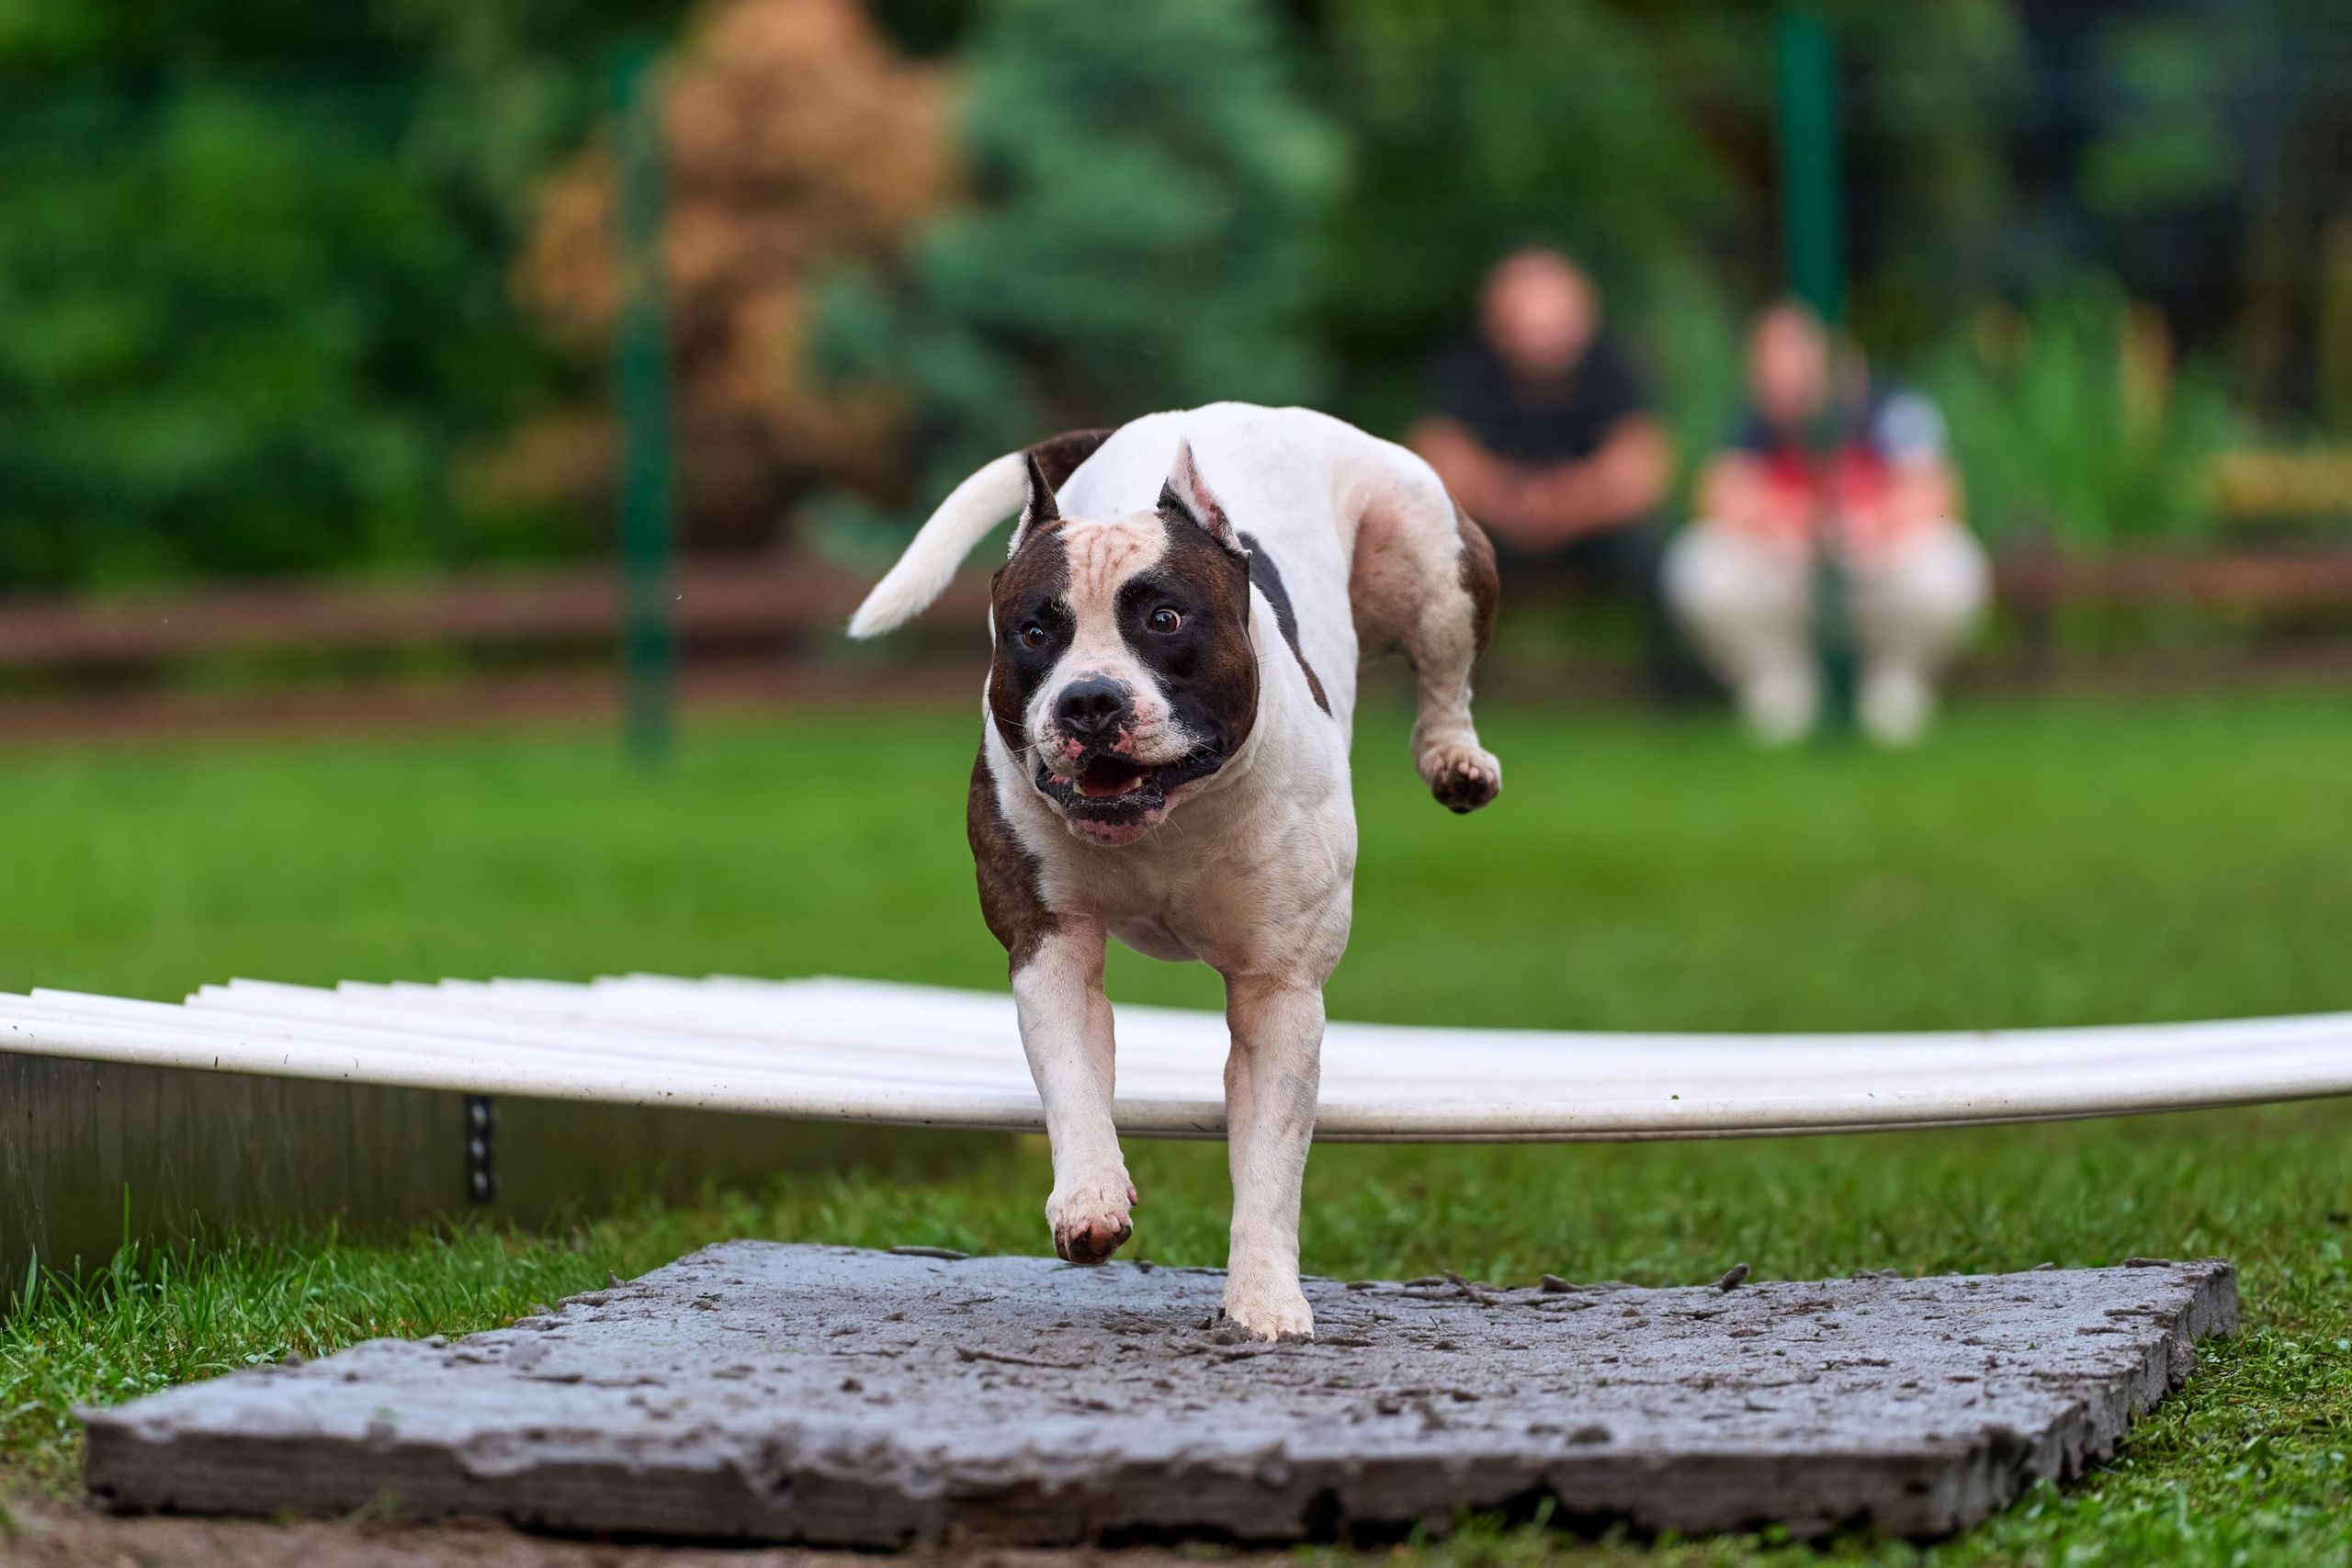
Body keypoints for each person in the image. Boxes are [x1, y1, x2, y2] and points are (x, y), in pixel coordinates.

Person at [1664, 302, 1987, 746]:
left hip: (1876, 568)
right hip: (1786, 572)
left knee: (1950, 563)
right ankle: (1781, 682)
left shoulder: (1893, 409)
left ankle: (1894, 682)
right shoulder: (1751, 419)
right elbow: (1717, 494)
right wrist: (1793, 518)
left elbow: (1935, 493)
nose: (1785, 395)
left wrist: (1867, 522)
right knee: (1698, 561)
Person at [1408, 248, 1675, 673]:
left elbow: (1644, 467)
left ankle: (1676, 679)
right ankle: (1440, 685)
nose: (1543, 334)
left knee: (1649, 547)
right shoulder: (1467, 368)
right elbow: (1432, 458)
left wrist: (1570, 502)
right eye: (1529, 318)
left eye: (1556, 318)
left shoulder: (1613, 367)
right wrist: (1505, 497)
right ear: (1498, 320)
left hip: (1592, 533)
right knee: (1436, 545)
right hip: (1494, 530)